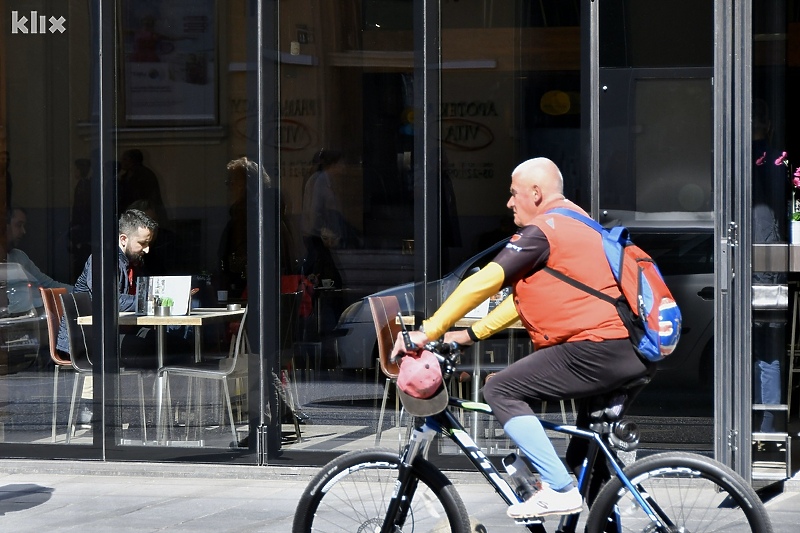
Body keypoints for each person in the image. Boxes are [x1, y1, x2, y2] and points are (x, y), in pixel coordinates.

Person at [391, 157, 652, 519]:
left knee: (501, 389)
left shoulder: (543, 230)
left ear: (535, 193)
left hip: (597, 348)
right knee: (586, 470)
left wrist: (428, 330)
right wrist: (467, 335)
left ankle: (557, 489)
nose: (509, 203)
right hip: (621, 350)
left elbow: (484, 281)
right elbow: (519, 304)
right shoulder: (580, 224)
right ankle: (576, 493)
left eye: (514, 194)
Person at [7, 207, 74, 304]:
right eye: (18, 225)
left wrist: (83, 292)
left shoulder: (19, 256)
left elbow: (48, 285)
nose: (23, 231)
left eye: (23, 226)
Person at [117, 149, 165, 221]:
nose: (122, 162)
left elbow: (146, 196)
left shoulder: (144, 175)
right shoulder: (126, 176)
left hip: (142, 212)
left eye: (125, 159)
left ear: (133, 160)